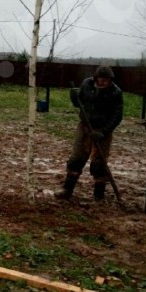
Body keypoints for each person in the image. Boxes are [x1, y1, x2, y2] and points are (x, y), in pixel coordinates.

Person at [56, 65, 124, 201]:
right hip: (85, 126)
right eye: (101, 79)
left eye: (106, 80)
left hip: (102, 128)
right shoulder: (87, 84)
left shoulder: (115, 92)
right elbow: (79, 103)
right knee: (76, 158)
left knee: (99, 163)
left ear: (110, 80)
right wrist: (74, 98)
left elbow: (117, 116)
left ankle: (99, 194)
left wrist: (103, 132)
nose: (103, 82)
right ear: (96, 78)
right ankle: (67, 189)